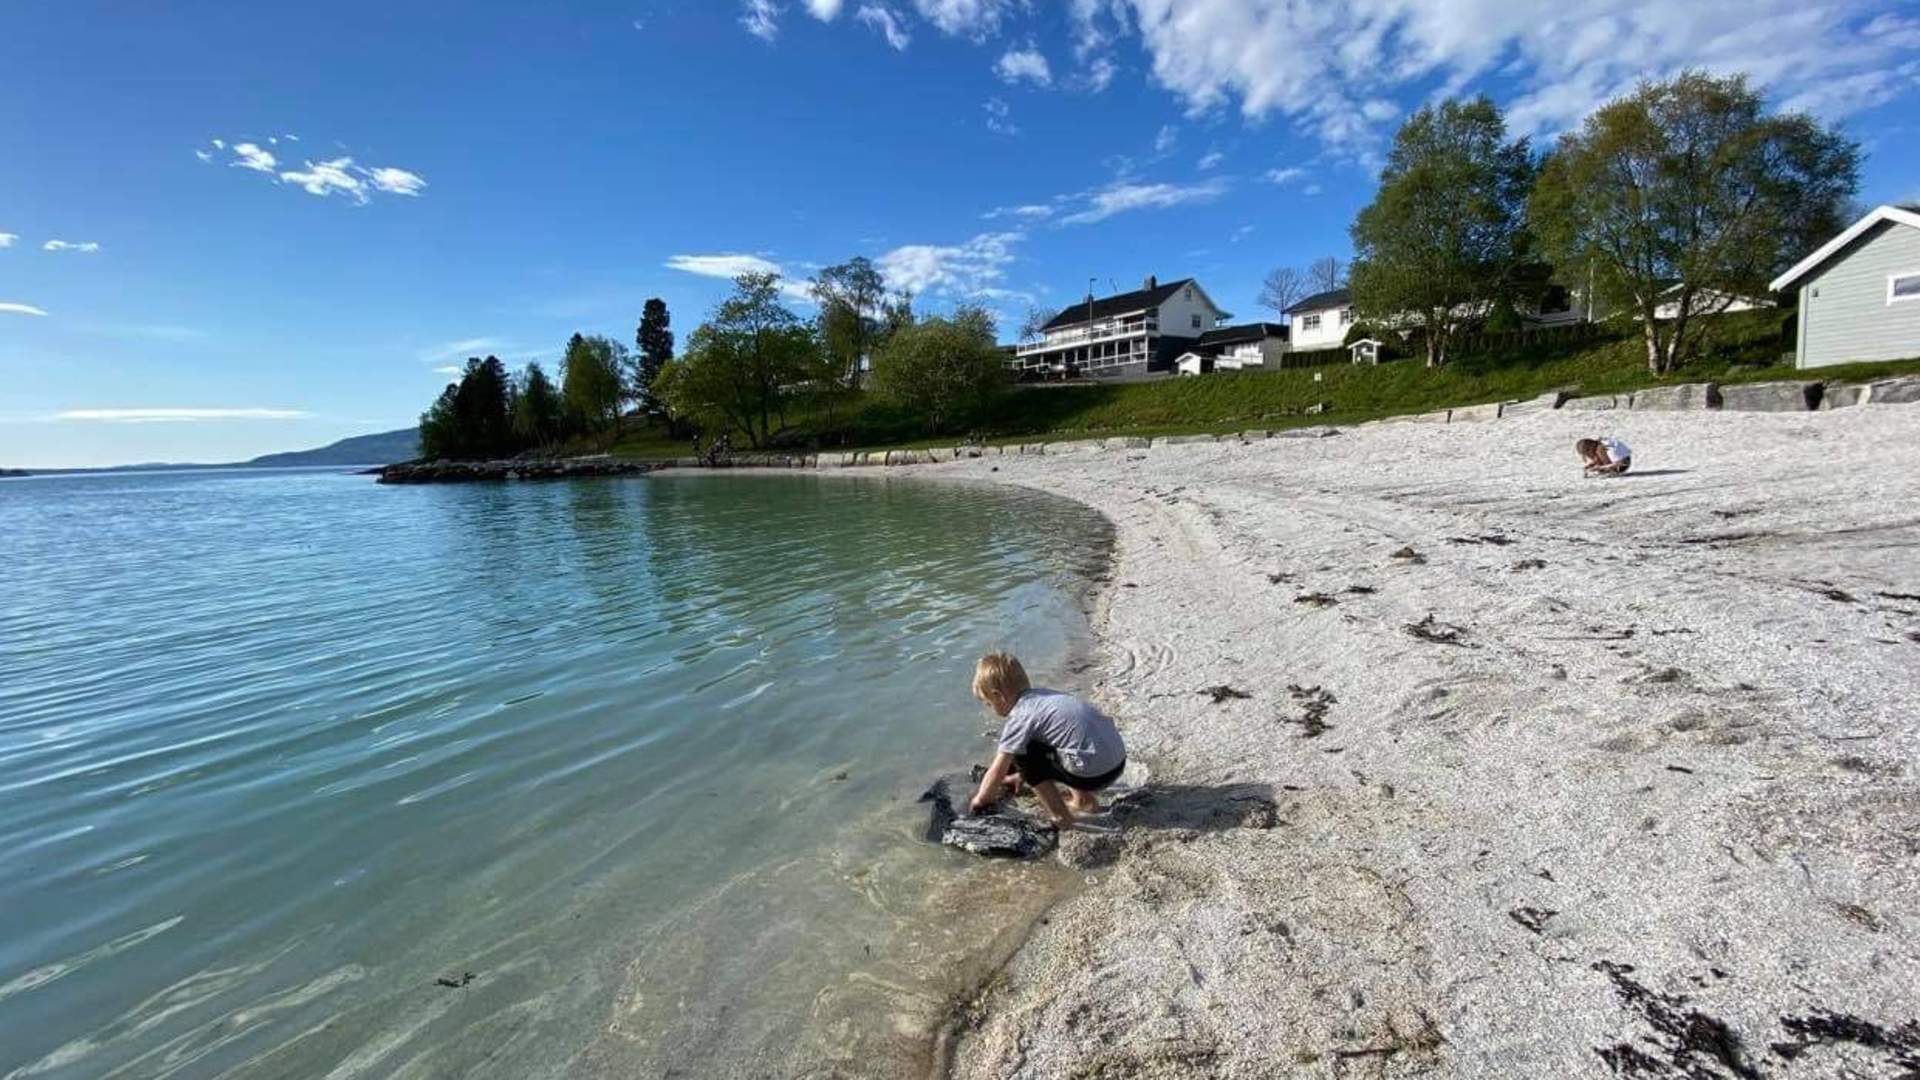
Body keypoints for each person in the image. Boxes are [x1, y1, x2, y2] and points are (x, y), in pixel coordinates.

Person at [968, 652, 1127, 828]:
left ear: (998, 696)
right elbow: (1060, 739)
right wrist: (1021, 776)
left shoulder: (1020, 715)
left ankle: (1061, 817)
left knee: (1023, 755)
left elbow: (999, 768)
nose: (990, 709)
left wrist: (981, 801)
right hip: (1117, 760)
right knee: (1059, 741)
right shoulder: (1044, 697)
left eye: (988, 703)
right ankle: (1083, 801)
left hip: (1095, 774)